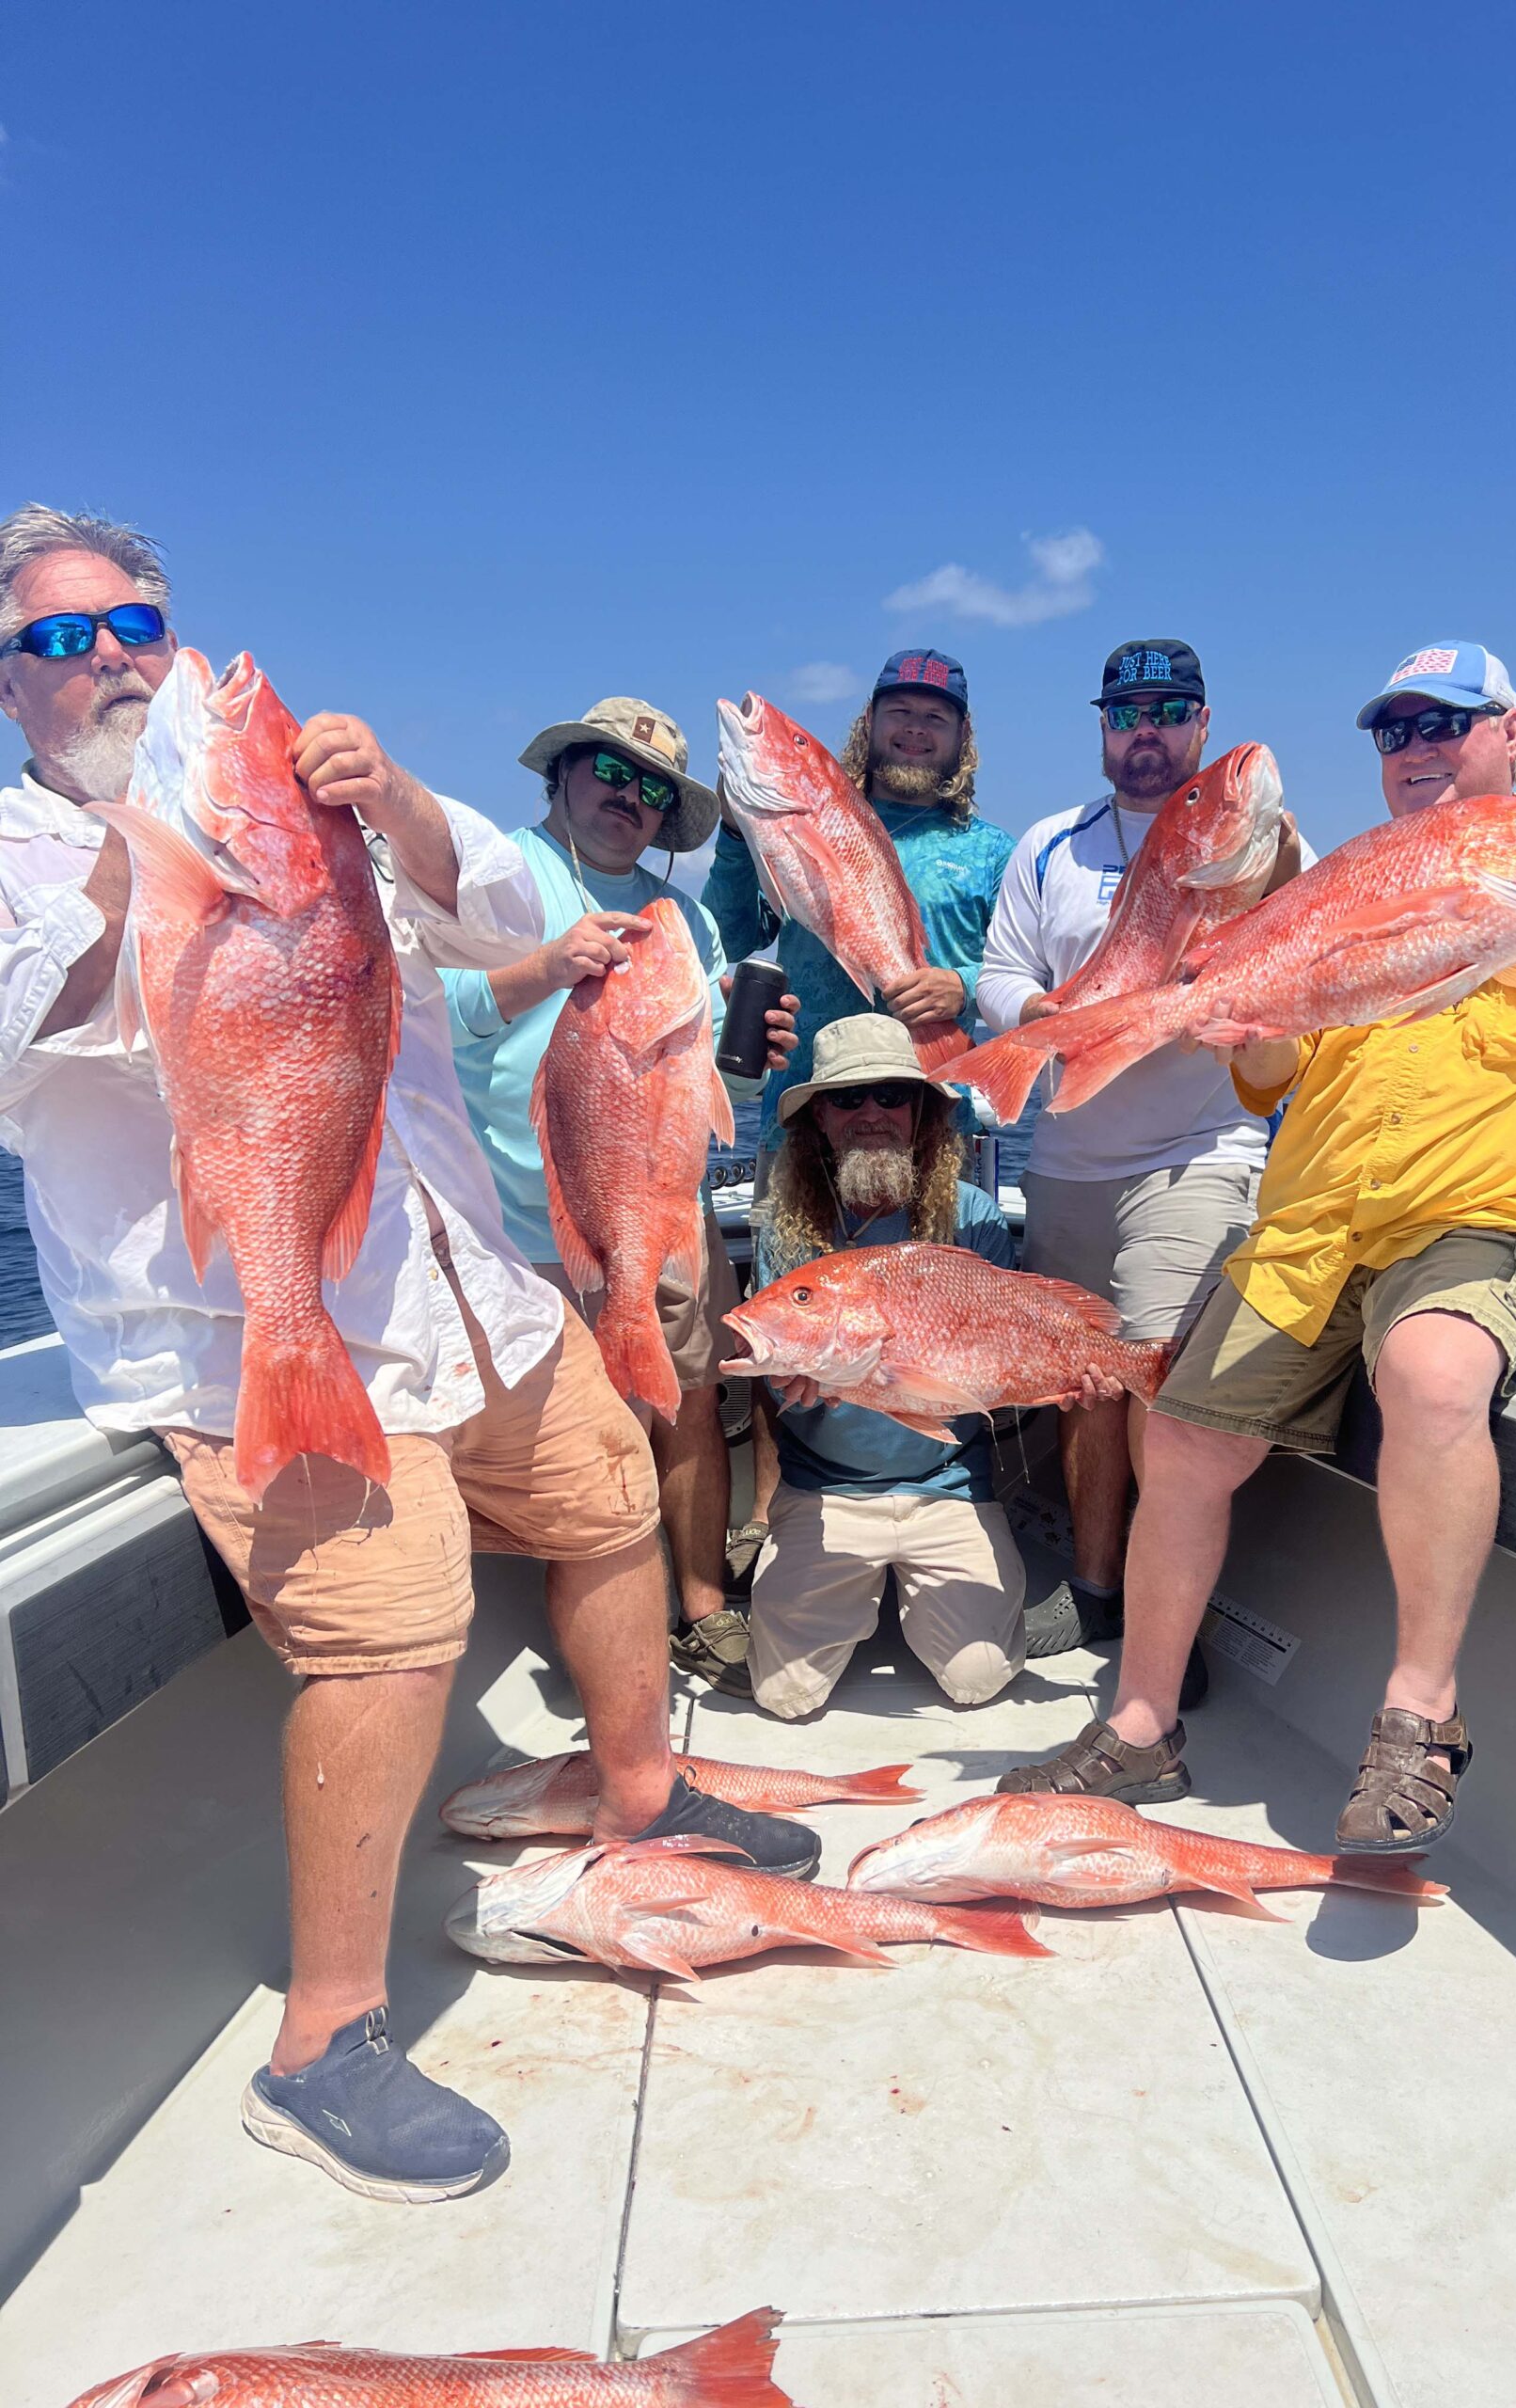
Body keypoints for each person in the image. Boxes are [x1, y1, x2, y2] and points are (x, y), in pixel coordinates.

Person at [0, 506, 817, 2208]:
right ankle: (325, 2042)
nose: (114, 662)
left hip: (468, 1289)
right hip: (251, 1330)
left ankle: (644, 1796)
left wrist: (391, 806)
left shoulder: (304, 819)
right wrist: (155, 845)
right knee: (391, 1631)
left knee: (607, 1500)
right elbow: (38, 1011)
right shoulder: (31, 848)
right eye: (59, 641)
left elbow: (493, 910)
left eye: (134, 622)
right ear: (11, 682)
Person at [998, 641, 1516, 1845]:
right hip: (1314, 1226)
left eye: (1447, 725)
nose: (1418, 749)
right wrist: (1238, 1015)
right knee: (1178, 1433)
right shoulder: (1350, 874)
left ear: (1511, 737)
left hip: (1489, 1218)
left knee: (1431, 1372)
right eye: (1396, 731)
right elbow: (1271, 1076)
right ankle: (1141, 1726)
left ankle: (1419, 1717)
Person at [442, 695, 797, 1699]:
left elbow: (707, 1084)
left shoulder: (672, 916)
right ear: (562, 774)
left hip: (662, 1211)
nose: (627, 798)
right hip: (515, 1225)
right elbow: (443, 1008)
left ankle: (700, 1603)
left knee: (688, 1404)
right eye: (609, 771)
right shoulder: (498, 875)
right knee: (572, 1430)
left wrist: (750, 1060)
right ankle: (608, 1623)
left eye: (652, 790)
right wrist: (546, 966)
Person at [977, 639, 1307, 1656]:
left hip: (1198, 1151)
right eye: (1127, 715)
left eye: (1170, 711)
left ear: (1201, 724)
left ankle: (1173, 1626)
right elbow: (994, 974)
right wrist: (1044, 1013)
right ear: (1103, 728)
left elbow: (1298, 964)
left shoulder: (1267, 845)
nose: (1147, 732)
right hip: (1069, 1157)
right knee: (1087, 1386)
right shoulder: (1048, 847)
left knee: (1161, 1383)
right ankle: (1093, 1586)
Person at [705, 647, 1017, 1573]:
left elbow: (1015, 976)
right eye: (899, 712)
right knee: (782, 1315)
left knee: (945, 1316)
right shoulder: (796, 819)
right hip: (808, 1112)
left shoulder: (996, 851)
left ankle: (960, 1489)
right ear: (867, 727)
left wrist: (954, 985)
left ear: (961, 739)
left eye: (936, 716)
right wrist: (734, 832)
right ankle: (771, 1503)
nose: (915, 728)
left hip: (934, 1117)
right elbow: (731, 933)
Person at [743, 1014, 1031, 1718]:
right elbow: (785, 1375)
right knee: (784, 1697)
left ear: (923, 1115)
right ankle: (865, 1594)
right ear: (817, 1120)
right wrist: (800, 1387)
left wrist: (1060, 1378)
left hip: (950, 1485)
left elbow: (1015, 1345)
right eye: (847, 1098)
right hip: (825, 1493)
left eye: (891, 1096)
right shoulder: (788, 1229)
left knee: (978, 1679)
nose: (871, 1113)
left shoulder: (976, 1216)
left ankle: (907, 1592)